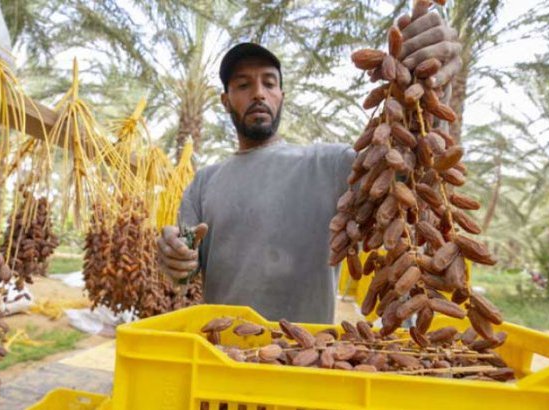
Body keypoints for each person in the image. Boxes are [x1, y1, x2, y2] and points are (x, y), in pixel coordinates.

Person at [157, 11, 462, 324]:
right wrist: (174, 256)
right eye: (243, 85)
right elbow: (183, 272)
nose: (258, 93)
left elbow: (406, 173)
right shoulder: (204, 182)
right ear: (225, 100)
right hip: (223, 354)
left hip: (307, 360)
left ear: (282, 96)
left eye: (269, 83)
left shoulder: (330, 164)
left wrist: (432, 90)